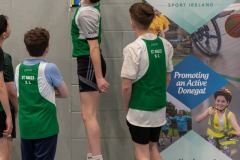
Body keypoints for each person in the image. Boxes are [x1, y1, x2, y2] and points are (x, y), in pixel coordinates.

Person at [121, 2, 173, 160]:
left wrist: (126, 108)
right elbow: (167, 78)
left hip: (140, 110)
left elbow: (126, 86)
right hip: (159, 109)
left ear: (132, 21)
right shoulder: (166, 45)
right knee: (153, 149)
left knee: (141, 152)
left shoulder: (133, 48)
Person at [15, 27, 68, 160]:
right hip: (45, 128)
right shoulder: (49, 68)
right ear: (47, 48)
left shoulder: (18, 68)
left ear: (26, 48)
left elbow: (22, 92)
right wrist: (50, 91)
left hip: (26, 128)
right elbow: (64, 93)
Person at [71, 0, 110, 159]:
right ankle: (91, 156)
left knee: (89, 115)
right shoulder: (89, 5)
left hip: (89, 63)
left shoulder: (87, 13)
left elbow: (93, 47)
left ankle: (97, 157)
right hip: (88, 62)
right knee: (87, 115)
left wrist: (99, 77)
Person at [196, 88, 240, 156]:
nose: (220, 103)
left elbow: (236, 126)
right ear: (215, 101)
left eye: (223, 101)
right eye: (218, 101)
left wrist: (238, 132)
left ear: (227, 103)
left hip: (224, 139)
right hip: (212, 138)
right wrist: (207, 113)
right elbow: (197, 120)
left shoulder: (230, 115)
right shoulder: (210, 110)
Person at [0, 15, 14, 160]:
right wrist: (9, 114)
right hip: (1, 111)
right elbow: (3, 88)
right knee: (4, 156)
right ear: (4, 34)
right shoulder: (2, 55)